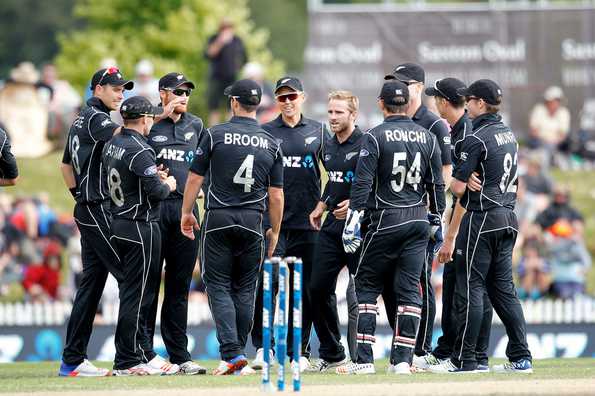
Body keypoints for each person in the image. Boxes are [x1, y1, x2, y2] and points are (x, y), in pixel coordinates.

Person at [337, 80, 445, 375]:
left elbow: (362, 184)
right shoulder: (427, 136)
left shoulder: (374, 136)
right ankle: (402, 361)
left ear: (382, 104)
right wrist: (438, 219)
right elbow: (436, 186)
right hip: (418, 220)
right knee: (410, 291)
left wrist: (352, 221)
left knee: (366, 286)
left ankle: (364, 360)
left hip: (385, 218)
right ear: (407, 104)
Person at [180, 79, 284, 375]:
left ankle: (231, 354)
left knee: (219, 285)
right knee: (245, 288)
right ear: (257, 105)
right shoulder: (271, 142)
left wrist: (186, 212)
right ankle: (236, 353)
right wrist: (274, 230)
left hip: (219, 218)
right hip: (253, 221)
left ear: (234, 103)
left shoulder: (215, 135)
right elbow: (276, 195)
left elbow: (194, 179)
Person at [430, 79, 533, 373]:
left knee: (471, 286)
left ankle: (466, 360)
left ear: (478, 103)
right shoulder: (508, 134)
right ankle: (521, 357)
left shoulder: (477, 136)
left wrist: (465, 182)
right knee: (503, 290)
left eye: (470, 100)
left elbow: (459, 187)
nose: (467, 105)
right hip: (508, 217)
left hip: (483, 217)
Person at [250, 77, 328, 372]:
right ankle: (262, 348)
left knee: (305, 290)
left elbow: (335, 170)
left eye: (291, 96)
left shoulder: (319, 131)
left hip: (309, 225)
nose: (287, 102)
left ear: (302, 97)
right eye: (281, 98)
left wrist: (326, 204)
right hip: (274, 226)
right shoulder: (266, 132)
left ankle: (301, 351)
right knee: (267, 287)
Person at [58, 67, 132, 377]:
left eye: (123, 88)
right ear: (97, 88)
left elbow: (65, 167)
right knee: (131, 277)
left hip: (88, 207)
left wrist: (79, 196)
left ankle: (72, 360)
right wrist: (157, 114)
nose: (120, 93)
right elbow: (125, 135)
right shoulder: (95, 117)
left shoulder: (80, 119)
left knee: (91, 284)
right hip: (97, 209)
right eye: (115, 87)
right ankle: (131, 358)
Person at [103, 96, 177, 376]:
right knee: (137, 295)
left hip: (118, 222)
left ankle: (137, 354)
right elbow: (158, 193)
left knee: (132, 293)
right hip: (139, 224)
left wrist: (151, 178)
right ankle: (127, 359)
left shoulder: (113, 143)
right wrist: (167, 183)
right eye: (150, 118)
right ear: (145, 119)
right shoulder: (139, 149)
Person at [383, 63, 452, 361]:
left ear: (419, 87)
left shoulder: (434, 124)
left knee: (420, 281)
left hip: (420, 216)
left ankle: (420, 349)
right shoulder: (390, 119)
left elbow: (446, 172)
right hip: (390, 217)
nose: (399, 88)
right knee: (391, 283)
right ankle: (404, 341)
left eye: (405, 83)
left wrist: (429, 206)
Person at [424, 78, 493, 372]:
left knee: (469, 288)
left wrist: (450, 236)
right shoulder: (457, 128)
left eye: (436, 98)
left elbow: (462, 189)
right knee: (456, 285)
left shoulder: (467, 130)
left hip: (469, 219)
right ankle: (450, 349)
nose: (433, 103)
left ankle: (470, 355)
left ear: (442, 101)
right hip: (461, 217)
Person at [145, 72, 207, 375]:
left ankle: (180, 355)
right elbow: (126, 141)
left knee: (179, 286)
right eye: (177, 91)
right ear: (162, 93)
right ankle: (142, 352)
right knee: (147, 283)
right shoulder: (148, 121)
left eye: (187, 92)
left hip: (186, 211)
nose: (183, 97)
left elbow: (204, 166)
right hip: (154, 210)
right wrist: (157, 118)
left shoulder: (195, 125)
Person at [307, 91, 363, 371]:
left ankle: (360, 359)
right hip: (331, 228)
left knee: (359, 294)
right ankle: (332, 353)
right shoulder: (327, 146)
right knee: (316, 288)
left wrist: (355, 204)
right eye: (330, 112)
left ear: (353, 115)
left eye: (339, 112)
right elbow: (334, 182)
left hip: (359, 229)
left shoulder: (366, 144)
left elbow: (374, 184)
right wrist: (321, 204)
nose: (332, 117)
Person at [205, 19, 247, 126]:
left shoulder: (237, 40)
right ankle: (213, 131)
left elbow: (244, 58)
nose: (227, 31)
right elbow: (209, 54)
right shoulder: (214, 38)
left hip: (232, 77)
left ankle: (230, 129)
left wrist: (238, 67)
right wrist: (220, 41)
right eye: (224, 28)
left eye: (229, 28)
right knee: (214, 106)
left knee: (232, 105)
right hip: (216, 77)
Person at [528, 86, 571, 166]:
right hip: (540, 144)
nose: (555, 103)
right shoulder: (538, 110)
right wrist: (545, 141)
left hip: (557, 145)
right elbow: (533, 131)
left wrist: (553, 142)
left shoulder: (564, 112)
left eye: (557, 100)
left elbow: (563, 134)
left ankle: (556, 160)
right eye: (554, 100)